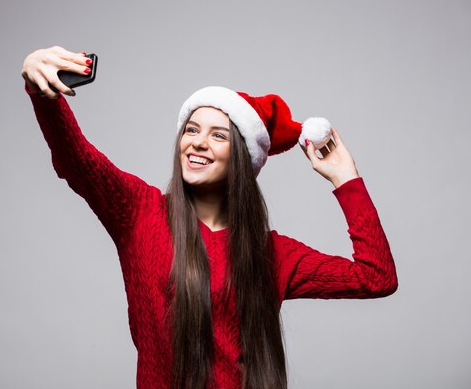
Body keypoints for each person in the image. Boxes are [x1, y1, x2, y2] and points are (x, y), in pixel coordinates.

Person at [21, 45, 398, 389]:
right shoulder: (139, 212)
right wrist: (42, 91)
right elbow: (76, 159)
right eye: (191, 129)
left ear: (242, 159)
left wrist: (345, 178)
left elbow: (376, 277)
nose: (198, 141)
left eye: (218, 135)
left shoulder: (271, 254)